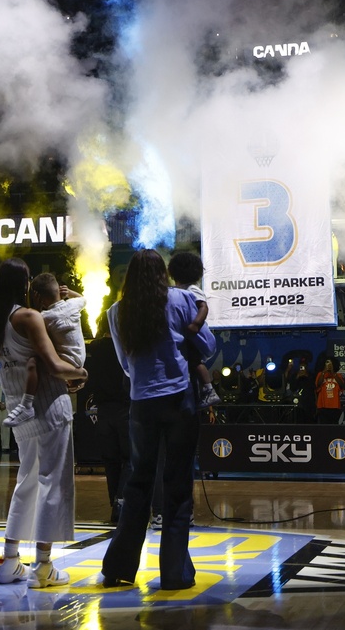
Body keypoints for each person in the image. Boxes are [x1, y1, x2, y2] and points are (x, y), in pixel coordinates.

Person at [100, 250, 217, 591]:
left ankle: (119, 568)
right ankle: (174, 574)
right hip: (179, 400)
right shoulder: (181, 299)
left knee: (138, 483)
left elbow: (125, 363)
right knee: (177, 487)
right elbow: (207, 346)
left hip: (142, 404)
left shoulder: (116, 312)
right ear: (162, 274)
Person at [0, 258, 88, 588]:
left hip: (19, 410)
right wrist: (81, 373)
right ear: (23, 284)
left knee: (26, 481)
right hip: (49, 409)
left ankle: (9, 560)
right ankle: (43, 566)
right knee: (53, 484)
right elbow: (57, 366)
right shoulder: (28, 316)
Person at [3, 274, 86, 427]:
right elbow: (82, 298)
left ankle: (26, 405)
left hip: (64, 362)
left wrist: (37, 304)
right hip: (80, 359)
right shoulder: (73, 306)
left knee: (33, 362)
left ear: (38, 296)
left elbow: (33, 323)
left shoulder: (43, 316)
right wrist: (68, 293)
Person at [84, 314, 131, 523]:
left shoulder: (94, 348)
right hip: (124, 409)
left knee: (110, 461)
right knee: (129, 458)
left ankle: (114, 501)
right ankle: (123, 499)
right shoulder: (125, 348)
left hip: (102, 411)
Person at [167, 252, 219, 409]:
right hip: (191, 335)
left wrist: (196, 324)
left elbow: (203, 306)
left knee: (195, 361)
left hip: (198, 335)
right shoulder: (179, 289)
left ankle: (209, 390)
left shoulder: (192, 289)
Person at [314, 359, 344, 425]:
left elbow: (342, 385)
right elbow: (318, 384)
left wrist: (333, 372)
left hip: (335, 406)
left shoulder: (338, 375)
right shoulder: (320, 374)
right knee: (323, 426)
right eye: (327, 363)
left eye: (330, 363)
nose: (329, 365)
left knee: (334, 426)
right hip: (323, 406)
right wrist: (324, 371)